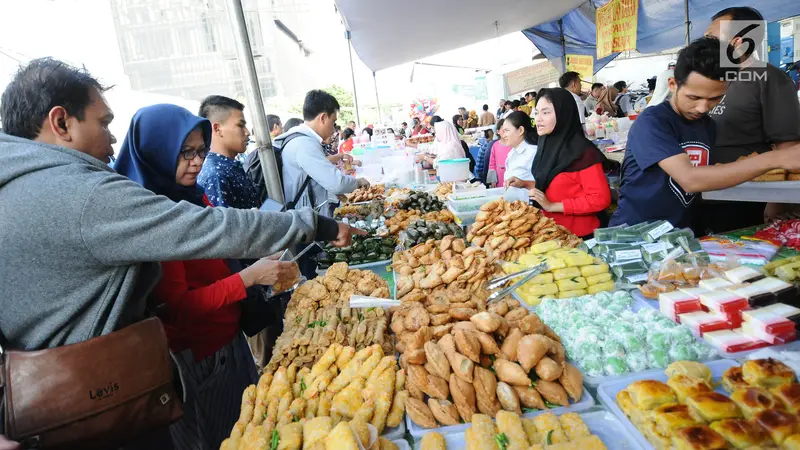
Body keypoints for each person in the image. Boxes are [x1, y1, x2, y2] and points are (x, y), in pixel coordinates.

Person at [0, 58, 360, 447]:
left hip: (49, 413)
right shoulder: (81, 195)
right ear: (61, 123)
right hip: (109, 406)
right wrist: (316, 225)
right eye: (103, 123)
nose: (112, 139)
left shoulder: (12, 189)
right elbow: (215, 230)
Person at [116, 104, 300, 450]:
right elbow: (177, 306)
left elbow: (220, 253)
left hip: (229, 342)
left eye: (200, 150)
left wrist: (257, 262)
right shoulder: (154, 217)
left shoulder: (193, 197)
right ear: (156, 152)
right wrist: (248, 277)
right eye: (185, 152)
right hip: (200, 359)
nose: (197, 161)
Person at [609, 37, 800, 229]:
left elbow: (709, 176)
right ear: (673, 84)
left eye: (715, 98)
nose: (702, 107)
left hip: (679, 234)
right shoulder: (653, 122)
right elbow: (690, 179)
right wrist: (773, 159)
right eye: (694, 97)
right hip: (634, 233)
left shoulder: (706, 124)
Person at [703, 6, 800, 230]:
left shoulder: (769, 79)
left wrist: (776, 199)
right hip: (701, 189)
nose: (704, 42)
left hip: (745, 197)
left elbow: (789, 146)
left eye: (711, 37)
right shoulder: (708, 77)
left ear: (737, 42)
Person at [507, 89, 611, 237]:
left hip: (579, 236)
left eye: (546, 112)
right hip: (551, 232)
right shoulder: (546, 145)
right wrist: (525, 184)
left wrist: (553, 206)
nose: (538, 119)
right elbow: (555, 185)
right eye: (536, 113)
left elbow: (600, 198)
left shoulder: (584, 153)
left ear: (563, 114)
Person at [196, 95, 259, 210]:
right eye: (241, 125)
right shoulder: (215, 175)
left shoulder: (228, 167)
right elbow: (227, 226)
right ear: (217, 129)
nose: (247, 132)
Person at [497, 111, 538, 187]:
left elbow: (543, 185)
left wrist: (525, 184)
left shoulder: (533, 152)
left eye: (507, 131)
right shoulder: (512, 152)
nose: (504, 135)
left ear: (520, 130)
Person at [488, 118, 513, 187]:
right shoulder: (495, 145)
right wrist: (493, 180)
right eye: (503, 130)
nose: (505, 133)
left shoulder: (513, 144)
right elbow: (492, 164)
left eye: (507, 130)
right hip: (499, 176)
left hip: (512, 175)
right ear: (498, 131)